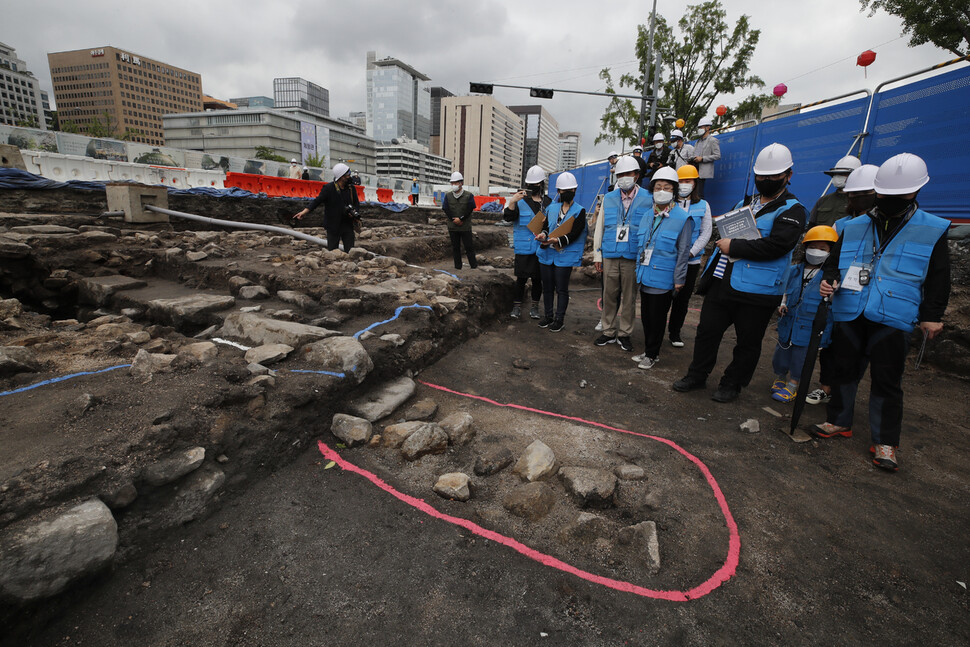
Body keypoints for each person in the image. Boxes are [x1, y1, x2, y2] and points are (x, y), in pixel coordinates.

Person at [816, 153, 950, 472]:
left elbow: (939, 276)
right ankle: (839, 421)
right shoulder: (853, 225)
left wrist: (932, 314)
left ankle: (885, 441)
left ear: (915, 192)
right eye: (885, 194)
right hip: (851, 307)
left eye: (898, 195)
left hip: (894, 314)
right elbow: (834, 261)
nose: (890, 199)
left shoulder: (933, 228)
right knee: (844, 369)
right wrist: (828, 280)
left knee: (887, 380)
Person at [673, 143, 806, 402]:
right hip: (723, 282)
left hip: (758, 290)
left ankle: (732, 384)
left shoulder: (793, 210)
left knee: (747, 341)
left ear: (788, 176)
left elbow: (779, 245)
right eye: (761, 176)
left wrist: (734, 245)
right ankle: (697, 375)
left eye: (772, 177)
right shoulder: (746, 202)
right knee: (707, 333)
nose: (765, 181)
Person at [805, 164, 879, 406]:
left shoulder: (886, 226)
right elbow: (832, 261)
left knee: (861, 351)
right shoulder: (844, 225)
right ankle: (826, 388)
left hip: (871, 295)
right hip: (841, 293)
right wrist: (830, 281)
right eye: (853, 194)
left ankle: (845, 394)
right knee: (832, 344)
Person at [632, 167, 693, 370]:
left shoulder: (682, 218)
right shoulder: (648, 215)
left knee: (658, 319)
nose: (662, 190)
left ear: (674, 190)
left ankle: (652, 354)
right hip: (645, 276)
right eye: (658, 187)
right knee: (647, 317)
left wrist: (679, 279)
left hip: (664, 278)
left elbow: (683, 252)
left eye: (667, 187)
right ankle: (650, 350)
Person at [770, 225, 838, 403]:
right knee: (781, 352)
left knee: (801, 357)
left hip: (810, 325)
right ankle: (780, 377)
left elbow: (832, 300)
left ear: (831, 251)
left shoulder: (831, 276)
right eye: (812, 247)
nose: (816, 251)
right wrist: (782, 303)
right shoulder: (794, 270)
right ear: (805, 247)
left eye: (822, 249)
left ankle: (793, 385)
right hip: (789, 321)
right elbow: (784, 289)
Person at [592, 155, 649, 352]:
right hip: (610, 254)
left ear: (636, 175)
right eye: (620, 174)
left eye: (628, 174)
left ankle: (624, 333)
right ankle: (608, 331)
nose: (624, 177)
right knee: (609, 295)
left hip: (632, 256)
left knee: (629, 297)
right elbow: (600, 227)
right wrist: (597, 255)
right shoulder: (608, 198)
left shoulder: (648, 198)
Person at [535, 172, 587, 332]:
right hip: (547, 254)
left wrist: (556, 240)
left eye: (570, 189)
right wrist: (543, 235)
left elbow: (575, 233)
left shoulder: (580, 210)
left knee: (562, 288)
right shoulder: (552, 208)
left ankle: (559, 319)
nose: (566, 193)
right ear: (558, 191)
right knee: (547, 287)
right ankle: (548, 316)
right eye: (563, 190)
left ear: (575, 190)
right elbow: (545, 227)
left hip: (564, 255)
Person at [667, 164, 712, 348]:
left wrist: (691, 252)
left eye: (688, 181)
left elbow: (706, 232)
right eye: (681, 181)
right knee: (664, 296)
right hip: (669, 259)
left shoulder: (703, 205)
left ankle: (674, 333)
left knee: (682, 299)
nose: (685, 184)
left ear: (695, 183)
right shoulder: (670, 204)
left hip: (691, 261)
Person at [504, 165, 549, 320]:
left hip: (541, 248)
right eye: (530, 184)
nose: (533, 187)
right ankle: (516, 307)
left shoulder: (548, 203)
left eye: (536, 184)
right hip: (524, 248)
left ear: (542, 184)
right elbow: (508, 217)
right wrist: (512, 202)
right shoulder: (521, 200)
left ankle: (535, 307)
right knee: (521, 279)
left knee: (538, 280)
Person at [293, 162, 361, 251]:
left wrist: (355, 213)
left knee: (351, 250)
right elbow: (317, 201)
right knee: (332, 251)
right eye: (348, 175)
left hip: (347, 224)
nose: (350, 177)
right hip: (333, 225)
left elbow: (356, 203)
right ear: (341, 176)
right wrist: (304, 212)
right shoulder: (329, 188)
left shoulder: (351, 189)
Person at [809, 155, 861, 228]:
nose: (837, 177)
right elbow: (811, 226)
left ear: (854, 175)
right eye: (835, 174)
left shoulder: (860, 202)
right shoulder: (823, 200)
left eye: (842, 174)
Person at [442, 171, 478, 270]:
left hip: (465, 226)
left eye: (456, 183)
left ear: (461, 183)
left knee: (469, 247)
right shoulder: (448, 196)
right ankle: (458, 267)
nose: (454, 185)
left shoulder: (468, 195)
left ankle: (473, 266)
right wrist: (454, 220)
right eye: (452, 183)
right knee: (455, 248)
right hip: (453, 227)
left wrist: (461, 218)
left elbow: (470, 208)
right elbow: (446, 208)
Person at [691, 117, 720, 199]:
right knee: (693, 191)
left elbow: (717, 155)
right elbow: (695, 153)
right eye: (699, 128)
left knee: (699, 193)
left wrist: (703, 158)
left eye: (701, 127)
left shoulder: (713, 140)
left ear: (708, 127)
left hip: (703, 170)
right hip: (694, 168)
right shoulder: (698, 141)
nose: (700, 129)